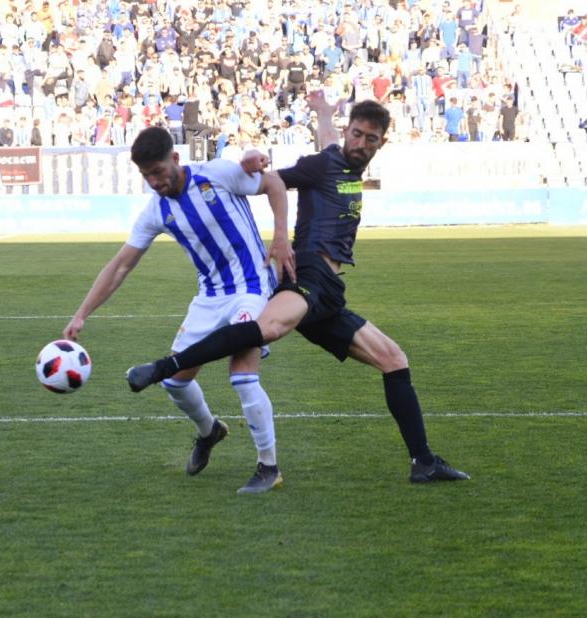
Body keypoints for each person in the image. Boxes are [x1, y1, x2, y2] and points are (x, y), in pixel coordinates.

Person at [127, 94, 470, 485]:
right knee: (266, 329)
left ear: (380, 144)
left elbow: (328, 140)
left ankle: (424, 463)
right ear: (348, 132)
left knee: (394, 360)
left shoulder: (343, 162)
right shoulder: (324, 164)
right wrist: (254, 159)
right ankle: (165, 368)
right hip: (306, 275)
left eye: (369, 139)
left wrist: (323, 110)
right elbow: (269, 179)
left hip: (328, 295)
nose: (360, 143)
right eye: (355, 134)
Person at [63, 126, 295, 494]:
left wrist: (281, 236)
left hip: (251, 288)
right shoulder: (156, 211)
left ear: (175, 159)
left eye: (158, 171)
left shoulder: (216, 174)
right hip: (208, 299)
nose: (154, 182)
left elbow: (274, 184)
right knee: (176, 382)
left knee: (242, 375)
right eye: (146, 176)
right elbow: (121, 265)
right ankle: (210, 431)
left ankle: (269, 466)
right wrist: (81, 314)